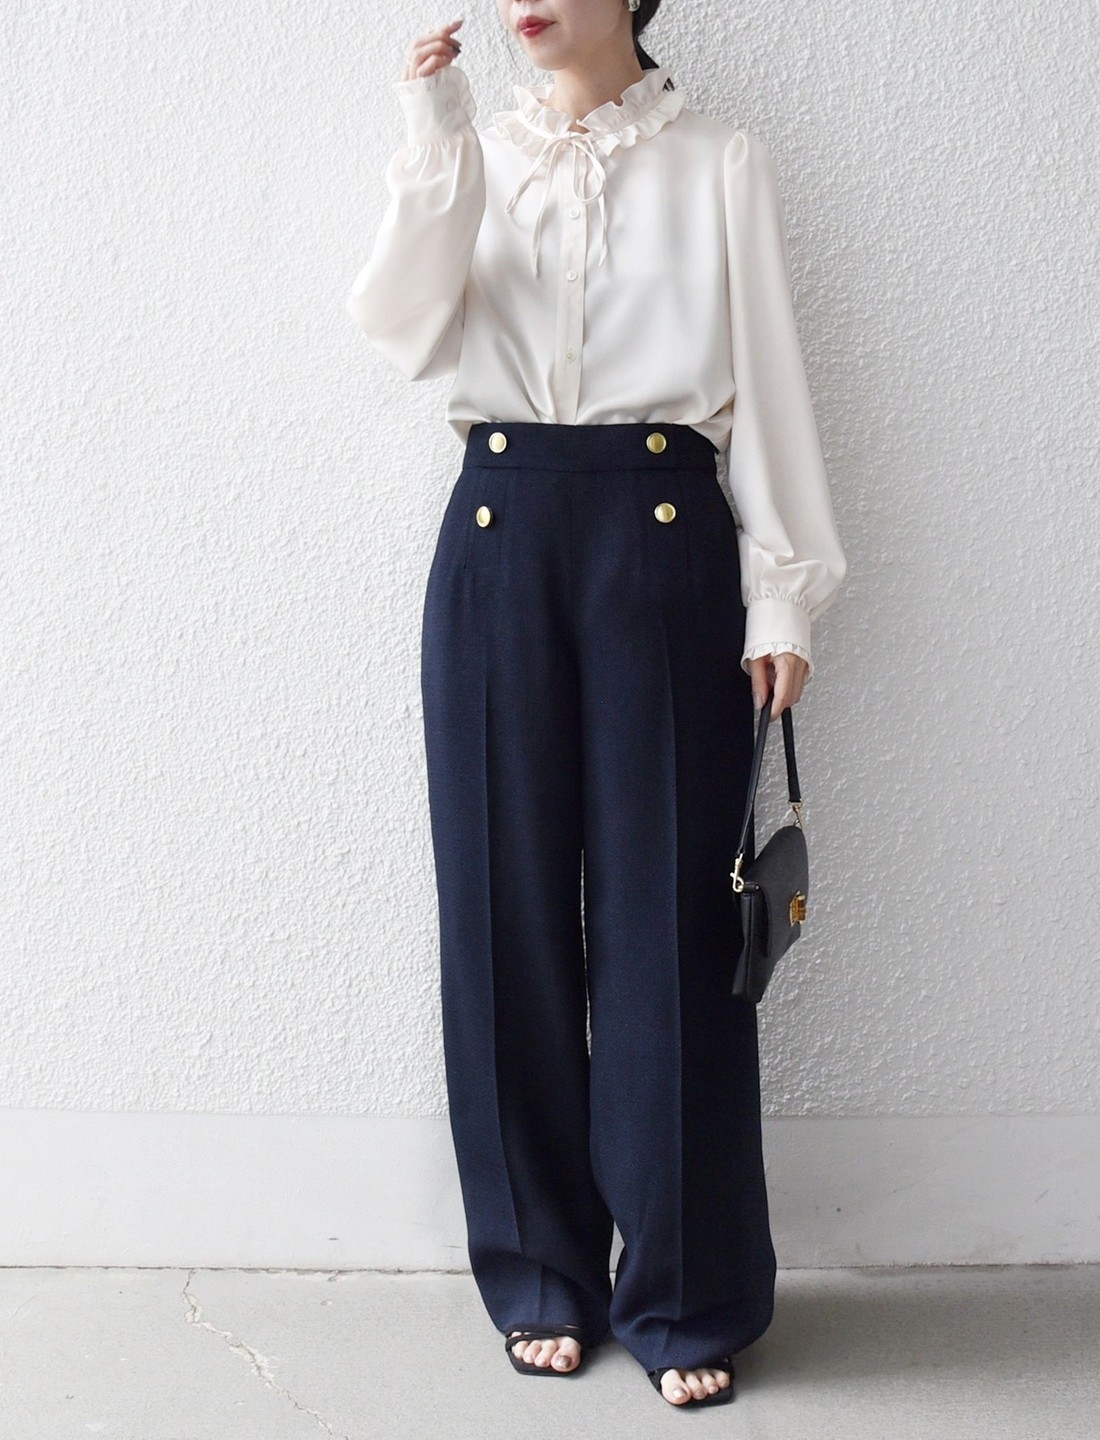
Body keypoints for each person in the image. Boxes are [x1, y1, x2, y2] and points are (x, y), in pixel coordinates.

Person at [345, 0, 847, 1410]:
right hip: (498, 530)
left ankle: (685, 1292)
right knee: (498, 916)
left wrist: (783, 595)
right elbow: (399, 329)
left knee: (672, 926)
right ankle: (538, 1271)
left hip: (668, 531)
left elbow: (770, 385)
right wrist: (434, 141)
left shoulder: (719, 160)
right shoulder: (474, 153)